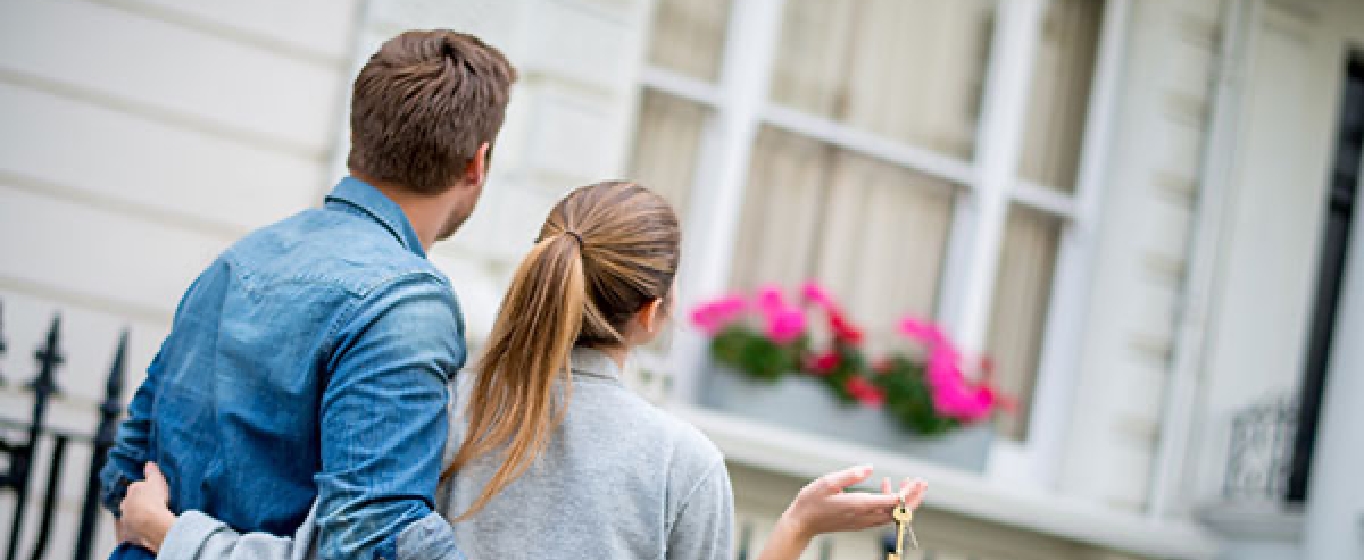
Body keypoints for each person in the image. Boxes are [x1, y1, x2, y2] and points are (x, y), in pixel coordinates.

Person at [116, 181, 929, 560]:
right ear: (653, 313)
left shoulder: (436, 407)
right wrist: (795, 531)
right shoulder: (682, 466)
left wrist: (171, 533)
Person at [98, 29, 516, 560]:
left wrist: (170, 535)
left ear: (357, 136)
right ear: (476, 164)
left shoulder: (241, 258)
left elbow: (128, 474)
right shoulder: (407, 302)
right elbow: (369, 544)